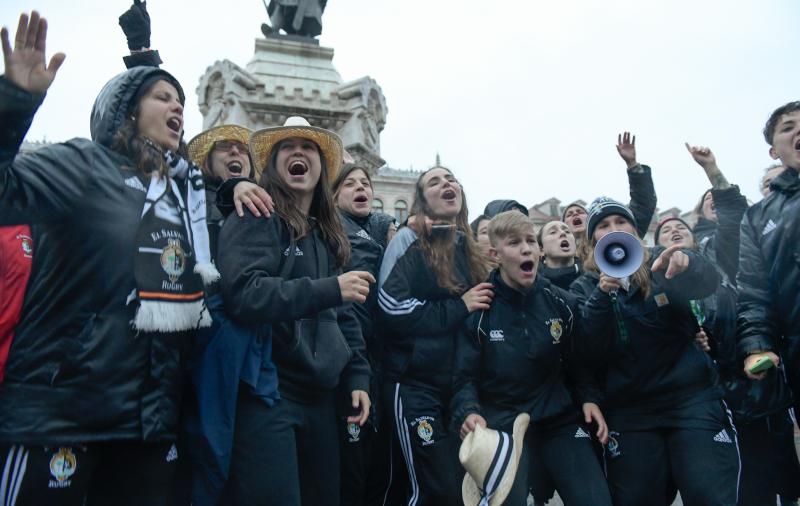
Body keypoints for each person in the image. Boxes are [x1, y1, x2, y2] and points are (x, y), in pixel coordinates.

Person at [0, 11, 221, 505]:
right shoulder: (82, 165)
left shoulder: (183, 197)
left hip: (145, 425)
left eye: (181, 101)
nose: (178, 108)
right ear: (125, 110)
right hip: (61, 415)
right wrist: (15, 103)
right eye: (163, 97)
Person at [216, 116, 373, 506]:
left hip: (321, 398)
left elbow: (344, 313)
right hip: (268, 393)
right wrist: (329, 289)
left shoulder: (326, 233)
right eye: (288, 146)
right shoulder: (254, 214)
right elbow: (245, 294)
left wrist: (358, 376)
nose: (299, 152)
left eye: (309, 147)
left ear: (321, 167)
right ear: (272, 164)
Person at [571, 197, 739, 506]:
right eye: (604, 226)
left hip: (691, 400)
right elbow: (587, 349)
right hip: (631, 411)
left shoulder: (661, 260)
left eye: (620, 222)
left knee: (710, 493)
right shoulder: (585, 287)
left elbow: (707, 282)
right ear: (592, 238)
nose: (613, 230)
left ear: (633, 230)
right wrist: (601, 296)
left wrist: (688, 265)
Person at [452, 211, 612, 506]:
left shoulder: (562, 302)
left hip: (558, 420)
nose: (526, 249)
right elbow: (464, 377)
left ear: (539, 250)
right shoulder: (478, 307)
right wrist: (467, 411)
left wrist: (589, 397)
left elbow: (578, 363)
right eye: (514, 243)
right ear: (495, 254)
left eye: (530, 241)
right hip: (502, 424)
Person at [378, 166, 491, 505]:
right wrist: (459, 307)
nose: (447, 183)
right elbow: (391, 306)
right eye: (434, 181)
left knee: (458, 487)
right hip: (411, 383)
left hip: (455, 389)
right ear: (421, 201)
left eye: (452, 178)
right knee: (429, 489)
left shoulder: (469, 249)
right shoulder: (408, 239)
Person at [738, 101, 800, 503]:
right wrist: (757, 346)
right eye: (789, 127)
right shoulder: (759, 218)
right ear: (774, 151)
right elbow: (755, 293)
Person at [330, 163, 397, 506]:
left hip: (375, 360)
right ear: (333, 196)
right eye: (350, 184)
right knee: (354, 471)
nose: (362, 189)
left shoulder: (375, 229)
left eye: (366, 183)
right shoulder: (338, 233)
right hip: (351, 362)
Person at [564, 132, 657, 266]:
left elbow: (643, 203)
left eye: (580, 211)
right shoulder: (565, 258)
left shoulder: (628, 236)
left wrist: (633, 165)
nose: (614, 230)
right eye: (569, 214)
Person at [537, 220, 580, 289]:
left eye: (567, 231)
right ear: (541, 250)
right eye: (553, 232)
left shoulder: (594, 275)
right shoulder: (534, 284)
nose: (563, 233)